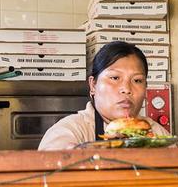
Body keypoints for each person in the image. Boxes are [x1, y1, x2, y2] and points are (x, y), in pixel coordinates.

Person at [38, 41, 169, 150]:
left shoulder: (156, 134)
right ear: (93, 85)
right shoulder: (69, 131)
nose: (126, 89)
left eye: (137, 80)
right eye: (115, 78)